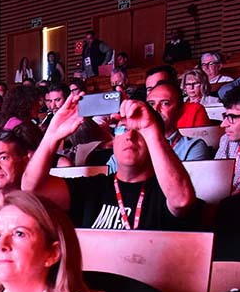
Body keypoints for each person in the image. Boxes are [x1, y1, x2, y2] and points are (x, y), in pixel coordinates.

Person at [24, 91, 198, 230]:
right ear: (113, 140)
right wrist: (52, 135)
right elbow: (32, 188)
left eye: (139, 130)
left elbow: (182, 200)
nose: (129, 136)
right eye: (123, 129)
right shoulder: (92, 188)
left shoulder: (164, 191)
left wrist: (150, 129)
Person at [105, 83, 211, 173]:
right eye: (151, 104)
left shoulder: (193, 147)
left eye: (165, 103)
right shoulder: (130, 145)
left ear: (180, 111)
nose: (156, 109)